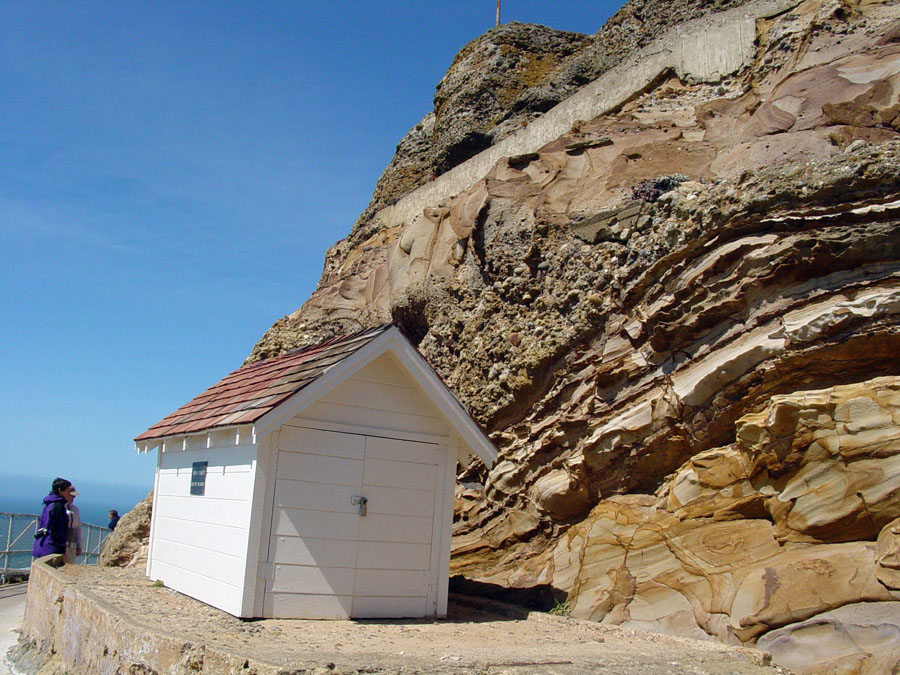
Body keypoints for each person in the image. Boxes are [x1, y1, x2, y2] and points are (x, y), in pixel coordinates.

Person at [32, 477, 71, 559]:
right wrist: (61, 549)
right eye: (67, 490)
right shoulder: (58, 506)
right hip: (51, 547)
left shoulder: (48, 503)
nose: (68, 493)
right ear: (60, 490)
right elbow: (57, 528)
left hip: (43, 544)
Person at [64, 485, 83, 564]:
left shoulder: (75, 509)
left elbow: (78, 528)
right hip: (62, 544)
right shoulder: (60, 508)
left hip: (71, 545)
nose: (73, 498)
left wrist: (79, 545)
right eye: (71, 496)